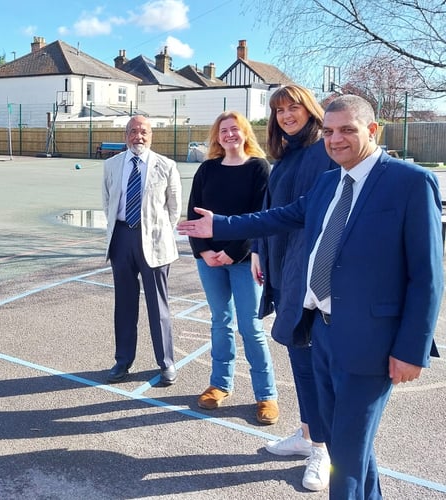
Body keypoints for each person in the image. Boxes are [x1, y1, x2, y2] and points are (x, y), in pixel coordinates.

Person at [176, 94, 443, 499]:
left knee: (347, 455)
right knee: (342, 444)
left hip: (370, 340)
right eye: (331, 131)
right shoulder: (328, 180)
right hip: (319, 330)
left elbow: (427, 276)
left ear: (372, 131)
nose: (335, 140)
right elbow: (280, 216)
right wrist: (223, 224)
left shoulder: (408, 182)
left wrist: (412, 348)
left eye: (347, 130)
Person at [257, 85, 338, 491]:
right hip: (284, 269)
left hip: (311, 277)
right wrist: (258, 251)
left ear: (310, 110)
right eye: (279, 110)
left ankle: (322, 450)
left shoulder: (324, 152)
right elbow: (271, 210)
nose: (287, 115)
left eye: (294, 107)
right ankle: (308, 435)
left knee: (313, 368)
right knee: (298, 358)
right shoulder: (285, 157)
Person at [186, 111, 279, 425]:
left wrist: (231, 251)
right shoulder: (208, 169)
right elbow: (193, 215)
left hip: (243, 260)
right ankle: (219, 384)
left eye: (234, 129)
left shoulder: (258, 168)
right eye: (223, 130)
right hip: (210, 261)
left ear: (245, 133)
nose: (229, 135)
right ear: (217, 135)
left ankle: (266, 395)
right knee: (220, 322)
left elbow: (261, 216)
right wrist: (206, 251)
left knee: (251, 327)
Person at [101, 114, 182, 385]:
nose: (139, 136)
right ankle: (122, 361)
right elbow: (108, 202)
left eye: (144, 131)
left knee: (158, 305)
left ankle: (166, 362)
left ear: (151, 135)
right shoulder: (111, 165)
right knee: (124, 304)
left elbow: (174, 209)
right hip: (121, 238)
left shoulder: (166, 166)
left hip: (154, 240)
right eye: (133, 131)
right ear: (126, 136)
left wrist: (157, 231)